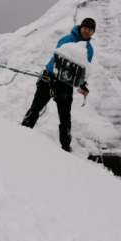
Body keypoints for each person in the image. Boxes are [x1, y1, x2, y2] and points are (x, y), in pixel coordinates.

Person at [21, 17, 96, 152]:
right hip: (49, 78)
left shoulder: (89, 50)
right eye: (85, 28)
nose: (86, 31)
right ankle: (21, 132)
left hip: (65, 85)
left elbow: (83, 70)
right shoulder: (68, 39)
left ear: (93, 33)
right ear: (81, 28)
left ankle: (66, 148)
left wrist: (82, 84)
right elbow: (58, 59)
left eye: (90, 30)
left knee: (65, 118)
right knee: (36, 107)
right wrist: (55, 77)